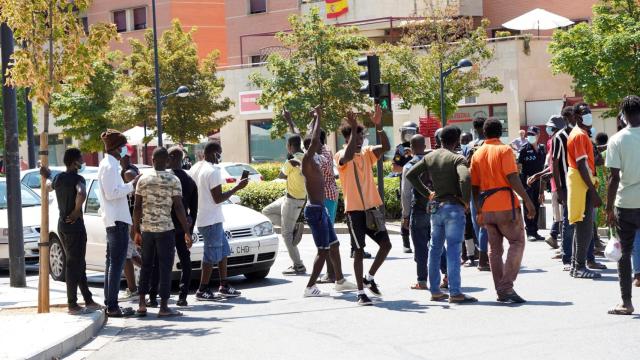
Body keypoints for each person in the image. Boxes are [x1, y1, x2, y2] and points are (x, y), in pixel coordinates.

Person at [407, 126, 477, 303]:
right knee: (453, 249)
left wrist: (427, 193)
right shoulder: (457, 158)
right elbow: (465, 178)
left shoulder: (430, 156)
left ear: (440, 140)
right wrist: (465, 201)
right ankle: (455, 292)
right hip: (453, 206)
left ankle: (435, 291)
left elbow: (411, 175)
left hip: (435, 207)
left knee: (434, 249)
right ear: (456, 141)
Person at [470, 118, 536, 303]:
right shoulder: (505, 149)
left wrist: (479, 210)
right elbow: (512, 178)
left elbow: (474, 186)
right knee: (517, 242)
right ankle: (506, 287)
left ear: (483, 132)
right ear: (501, 131)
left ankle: (501, 290)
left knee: (494, 250)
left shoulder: (477, 153)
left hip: (487, 207)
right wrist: (528, 201)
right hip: (506, 205)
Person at [335, 105, 392, 306]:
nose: (359, 141)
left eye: (361, 137)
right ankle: (360, 293)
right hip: (354, 212)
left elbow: (386, 147)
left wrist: (379, 126)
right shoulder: (341, 155)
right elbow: (347, 157)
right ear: (347, 139)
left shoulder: (367, 153)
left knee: (386, 245)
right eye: (355, 137)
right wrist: (352, 129)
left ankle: (369, 278)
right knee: (358, 251)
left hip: (372, 209)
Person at [300, 107, 356, 297]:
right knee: (323, 250)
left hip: (321, 208)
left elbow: (313, 140)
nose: (320, 145)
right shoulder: (307, 160)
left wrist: (314, 121)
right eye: (316, 144)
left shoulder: (316, 158)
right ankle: (310, 287)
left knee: (334, 244)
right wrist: (318, 117)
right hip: (314, 210)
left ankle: (339, 280)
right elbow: (314, 140)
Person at [40, 149, 102, 315]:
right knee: (74, 264)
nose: (82, 161)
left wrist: (45, 173)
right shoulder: (78, 179)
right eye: (80, 158)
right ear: (75, 161)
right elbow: (81, 192)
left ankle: (88, 300)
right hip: (75, 226)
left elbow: (48, 184)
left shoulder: (59, 178)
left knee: (78, 263)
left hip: (62, 225)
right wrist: (76, 210)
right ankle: (72, 304)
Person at [133, 147, 192, 318]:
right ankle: (164, 307)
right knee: (165, 268)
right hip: (166, 229)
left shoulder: (142, 179)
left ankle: (142, 304)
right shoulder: (173, 180)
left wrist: (136, 230)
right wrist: (186, 232)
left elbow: (137, 207)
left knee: (146, 266)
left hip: (147, 230)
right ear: (167, 161)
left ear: (152, 160)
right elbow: (179, 207)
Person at [190, 142, 247, 300]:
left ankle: (224, 285)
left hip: (204, 217)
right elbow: (218, 198)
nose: (220, 157)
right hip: (211, 219)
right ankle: (202, 289)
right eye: (219, 153)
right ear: (213, 153)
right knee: (210, 255)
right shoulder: (214, 171)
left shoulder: (196, 167)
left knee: (223, 252)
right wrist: (237, 187)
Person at [147, 147, 199, 307]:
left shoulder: (163, 177)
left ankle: (154, 296)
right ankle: (182, 297)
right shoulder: (189, 181)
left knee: (158, 262)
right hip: (181, 227)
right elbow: (194, 210)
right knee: (185, 261)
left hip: (163, 226)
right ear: (182, 158)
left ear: (169, 158)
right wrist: (188, 231)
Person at [605, 95, 640, 315]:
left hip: (625, 204)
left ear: (623, 115)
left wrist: (608, 209)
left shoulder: (616, 140)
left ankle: (626, 303)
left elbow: (613, 178)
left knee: (624, 254)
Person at [98, 129, 138, 317]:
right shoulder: (110, 166)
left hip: (115, 219)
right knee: (116, 263)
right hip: (117, 220)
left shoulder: (108, 164)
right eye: (123, 146)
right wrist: (132, 185)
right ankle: (112, 306)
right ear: (116, 148)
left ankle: (110, 303)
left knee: (112, 263)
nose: (125, 150)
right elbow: (112, 193)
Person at [402, 134, 447, 290]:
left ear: (412, 148)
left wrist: (405, 215)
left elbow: (406, 193)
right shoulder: (433, 162)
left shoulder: (409, 166)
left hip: (419, 209)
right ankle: (447, 275)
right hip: (435, 207)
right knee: (438, 242)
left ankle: (422, 280)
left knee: (421, 245)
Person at [262, 131, 307, 275]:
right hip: (292, 199)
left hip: (292, 201)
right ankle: (293, 227)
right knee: (266, 212)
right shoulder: (306, 157)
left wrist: (288, 162)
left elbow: (281, 176)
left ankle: (298, 265)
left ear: (289, 146)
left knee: (286, 235)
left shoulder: (291, 162)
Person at [566, 103, 603, 279]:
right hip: (583, 184)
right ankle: (580, 266)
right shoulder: (580, 135)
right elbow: (582, 165)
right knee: (584, 228)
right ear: (578, 117)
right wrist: (593, 191)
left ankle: (576, 265)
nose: (588, 115)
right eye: (585, 113)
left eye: (589, 112)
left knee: (581, 226)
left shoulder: (580, 134)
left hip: (581, 183)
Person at [119, 145, 142, 300]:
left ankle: (132, 289)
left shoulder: (128, 173)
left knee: (126, 255)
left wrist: (134, 225)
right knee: (133, 255)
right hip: (130, 219)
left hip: (130, 221)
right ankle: (154, 275)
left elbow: (135, 200)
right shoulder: (130, 170)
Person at [468, 117, 490, 271]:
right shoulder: (487, 145)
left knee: (477, 222)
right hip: (486, 188)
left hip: (471, 188)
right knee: (484, 226)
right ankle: (484, 256)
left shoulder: (469, 146)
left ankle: (480, 250)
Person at [517, 126, 546, 242]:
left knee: (537, 205)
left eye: (533, 134)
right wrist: (521, 183)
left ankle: (535, 230)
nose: (530, 136)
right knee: (529, 206)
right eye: (529, 134)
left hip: (540, 182)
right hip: (528, 183)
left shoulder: (542, 148)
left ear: (538, 135)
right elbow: (519, 167)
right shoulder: (524, 149)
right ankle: (529, 231)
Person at [395, 121, 418, 253]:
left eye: (411, 132)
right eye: (407, 132)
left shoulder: (421, 145)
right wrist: (408, 168)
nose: (409, 135)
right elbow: (395, 167)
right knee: (406, 212)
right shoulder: (400, 149)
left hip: (420, 184)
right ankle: (406, 242)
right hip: (406, 184)